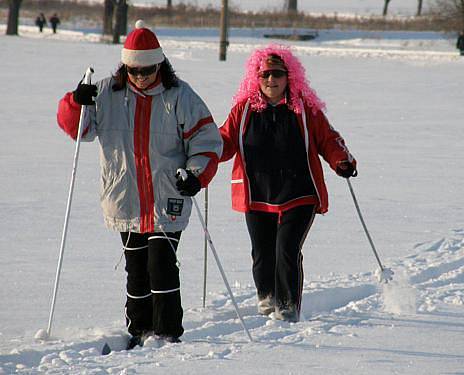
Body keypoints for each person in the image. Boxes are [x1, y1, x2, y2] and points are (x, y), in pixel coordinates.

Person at [56, 20, 222, 348]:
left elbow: (206, 140)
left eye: (148, 70)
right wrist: (76, 102)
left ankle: (167, 332)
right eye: (134, 70)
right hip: (125, 195)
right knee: (136, 266)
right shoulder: (105, 93)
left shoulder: (180, 95)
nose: (141, 77)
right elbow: (79, 131)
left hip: (167, 194)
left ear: (160, 65)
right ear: (125, 66)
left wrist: (196, 174)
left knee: (160, 262)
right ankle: (139, 330)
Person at [218, 44, 357, 323]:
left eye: (277, 74)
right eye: (265, 75)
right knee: (262, 252)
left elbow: (328, 139)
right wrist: (199, 152)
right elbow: (223, 141)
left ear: (289, 76)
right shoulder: (243, 111)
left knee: (287, 249)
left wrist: (341, 160)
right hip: (257, 193)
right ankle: (267, 296)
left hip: (299, 192)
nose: (271, 80)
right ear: (256, 78)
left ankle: (288, 305)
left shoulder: (304, 109)